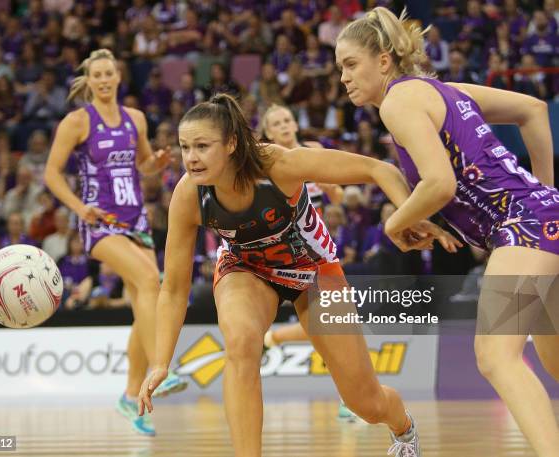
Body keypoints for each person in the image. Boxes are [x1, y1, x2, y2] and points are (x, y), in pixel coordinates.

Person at [138, 93, 461, 457]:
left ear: (230, 144)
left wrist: (408, 215)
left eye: (201, 146)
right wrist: (161, 362)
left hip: (313, 269)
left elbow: (379, 170)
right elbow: (174, 289)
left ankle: (403, 428)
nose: (191, 157)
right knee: (242, 343)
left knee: (365, 403)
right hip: (246, 268)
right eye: (184, 147)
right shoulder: (188, 194)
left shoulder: (278, 164)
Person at [334, 7, 559, 456]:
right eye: (340, 67)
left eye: (350, 64)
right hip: (541, 219)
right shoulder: (441, 89)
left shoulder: (398, 101)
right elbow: (533, 111)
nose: (343, 77)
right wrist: (547, 193)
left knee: (496, 356)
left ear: (383, 61)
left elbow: (440, 183)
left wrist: (394, 222)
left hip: (525, 226)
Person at [44, 48, 187, 437]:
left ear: (118, 77)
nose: (104, 80)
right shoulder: (77, 122)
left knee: (146, 295)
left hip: (135, 217)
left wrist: (155, 164)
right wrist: (78, 206)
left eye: (110, 73)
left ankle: (129, 394)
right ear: (89, 81)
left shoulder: (135, 119)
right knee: (149, 281)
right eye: (97, 75)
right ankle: (163, 368)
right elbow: (52, 174)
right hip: (99, 219)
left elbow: (141, 165)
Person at [261, 103, 357, 420]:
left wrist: (332, 187)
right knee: (329, 326)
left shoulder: (314, 151)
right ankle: (350, 396)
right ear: (268, 132)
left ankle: (350, 397)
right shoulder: (268, 161)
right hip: (286, 253)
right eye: (277, 122)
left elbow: (339, 199)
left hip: (319, 248)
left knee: (336, 325)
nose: (285, 125)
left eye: (288, 119)